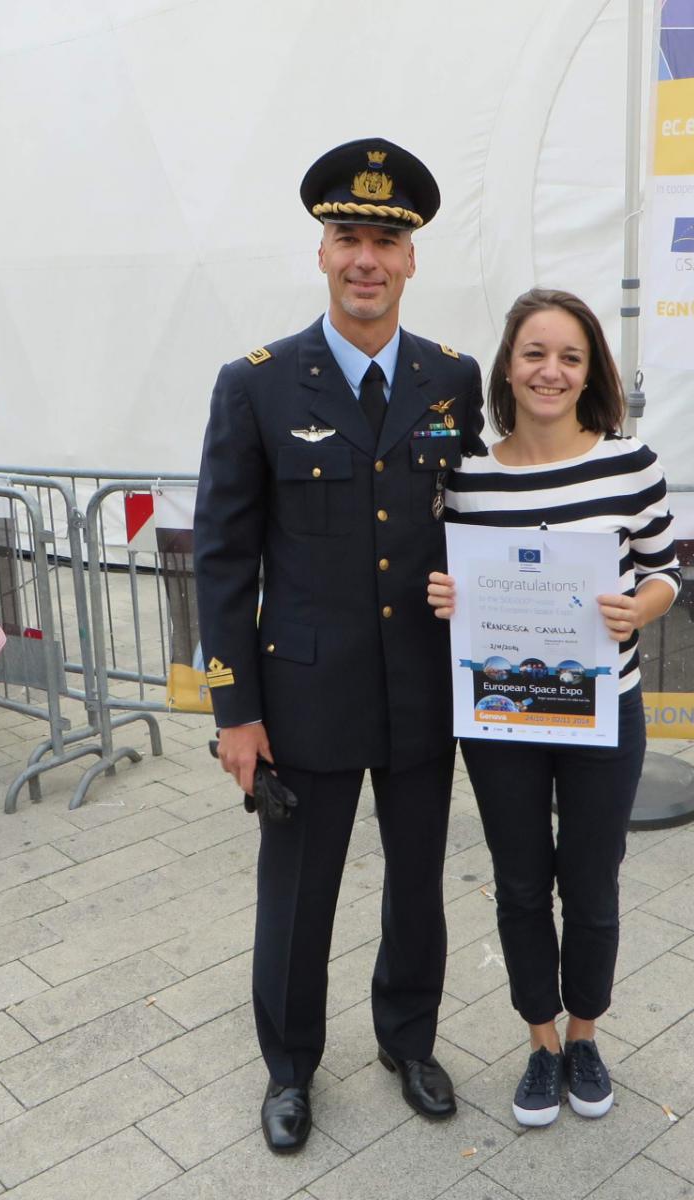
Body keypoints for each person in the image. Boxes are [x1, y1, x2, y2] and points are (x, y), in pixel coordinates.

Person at [194, 138, 484, 1154]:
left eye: (386, 242)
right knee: (298, 894)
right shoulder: (259, 384)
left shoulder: (454, 377)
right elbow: (224, 560)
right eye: (348, 237)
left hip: (422, 691)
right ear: (321, 251)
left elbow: (480, 520)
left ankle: (408, 1040)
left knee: (417, 882)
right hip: (304, 696)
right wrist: (235, 710)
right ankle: (289, 1067)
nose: (367, 258)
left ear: (412, 260)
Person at [427, 288, 680, 1126]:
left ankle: (585, 1034)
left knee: (592, 880)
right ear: (508, 365)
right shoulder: (466, 476)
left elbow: (664, 570)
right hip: (504, 715)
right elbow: (453, 576)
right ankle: (539, 1041)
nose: (551, 371)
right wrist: (446, 593)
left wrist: (638, 608)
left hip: (605, 709)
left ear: (590, 371)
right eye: (535, 353)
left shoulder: (628, 461)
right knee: (521, 882)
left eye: (570, 356)